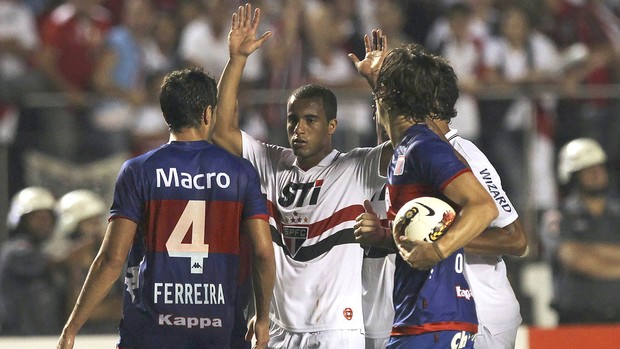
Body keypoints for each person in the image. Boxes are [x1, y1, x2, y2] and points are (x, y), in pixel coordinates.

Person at [56, 66, 276, 348]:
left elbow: (112, 259)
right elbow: (263, 252)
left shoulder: (138, 170)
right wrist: (262, 315)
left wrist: (71, 326)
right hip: (221, 331)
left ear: (166, 115)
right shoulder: (241, 172)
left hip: (150, 333)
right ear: (209, 114)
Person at [213, 4, 392, 348]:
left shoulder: (355, 166)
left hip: (336, 330)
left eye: (310, 120)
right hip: (278, 329)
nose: (299, 129)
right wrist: (237, 59)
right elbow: (221, 131)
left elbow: (398, 142)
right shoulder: (271, 162)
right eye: (293, 119)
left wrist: (378, 84)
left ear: (332, 126)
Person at [353, 42, 498, 348]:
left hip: (433, 321)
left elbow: (484, 207)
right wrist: (382, 237)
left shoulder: (423, 148)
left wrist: (437, 251)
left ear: (387, 96)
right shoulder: (407, 149)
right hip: (424, 318)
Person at [541, 138, 620, 324]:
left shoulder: (617, 213)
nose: (596, 173)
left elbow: (581, 253)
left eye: (599, 167)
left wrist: (588, 250)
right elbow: (574, 258)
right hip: (577, 322)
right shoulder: (558, 216)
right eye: (587, 169)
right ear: (572, 175)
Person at [46, 189, 123, 334]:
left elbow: (122, 306)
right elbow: (76, 311)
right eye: (89, 223)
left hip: (110, 333)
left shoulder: (108, 256)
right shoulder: (60, 258)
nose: (97, 229)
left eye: (97, 222)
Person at [0, 186, 63, 335]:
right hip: (19, 339)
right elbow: (57, 260)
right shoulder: (14, 251)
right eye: (38, 218)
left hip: (44, 337)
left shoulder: (40, 250)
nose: (45, 223)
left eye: (48, 218)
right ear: (21, 220)